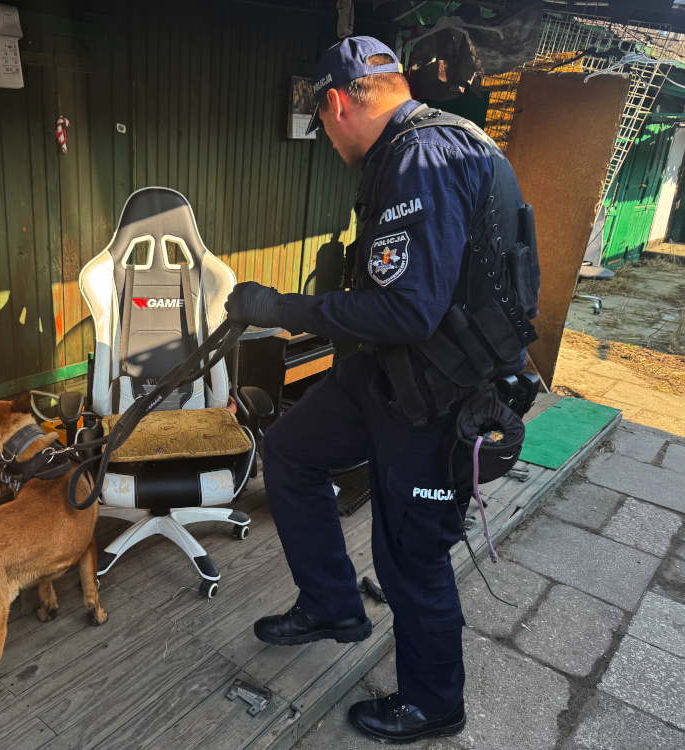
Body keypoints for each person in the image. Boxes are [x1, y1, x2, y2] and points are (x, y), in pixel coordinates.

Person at [224, 36, 538, 744]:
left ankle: (434, 703)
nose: (327, 137)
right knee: (293, 450)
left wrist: (279, 308)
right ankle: (331, 604)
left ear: (336, 103)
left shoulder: (421, 159)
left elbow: (410, 308)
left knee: (409, 557)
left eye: (322, 121)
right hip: (382, 377)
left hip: (436, 396)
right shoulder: (430, 143)